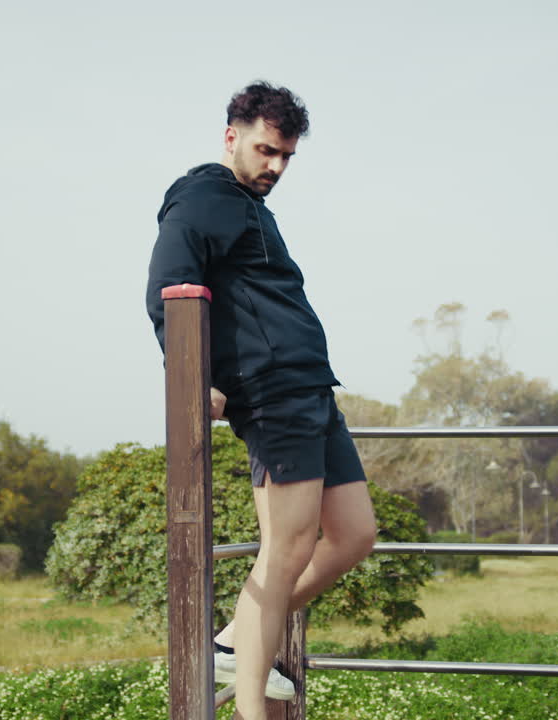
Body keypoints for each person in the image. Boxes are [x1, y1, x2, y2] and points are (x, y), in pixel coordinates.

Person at [145, 81, 378, 719]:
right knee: (289, 547)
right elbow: (168, 288)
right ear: (231, 137)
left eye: (286, 157)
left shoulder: (251, 203)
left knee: (355, 534)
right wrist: (195, 378)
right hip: (272, 392)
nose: (276, 167)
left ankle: (234, 638)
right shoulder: (202, 198)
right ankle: (249, 704)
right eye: (266, 150)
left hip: (310, 387)